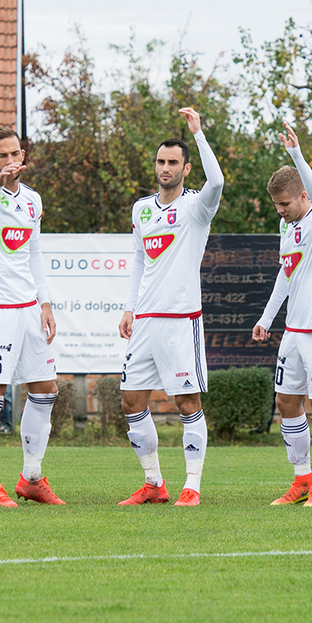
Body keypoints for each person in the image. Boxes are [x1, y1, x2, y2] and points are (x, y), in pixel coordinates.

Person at [117, 107, 224, 507]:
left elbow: (218, 181)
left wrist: (198, 133)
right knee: (131, 401)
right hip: (144, 320)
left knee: (187, 403)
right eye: (161, 162)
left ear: (186, 168)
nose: (165, 168)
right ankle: (153, 484)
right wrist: (129, 308)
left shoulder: (197, 207)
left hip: (181, 320)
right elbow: (139, 260)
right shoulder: (142, 208)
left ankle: (192, 486)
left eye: (173, 163)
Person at [0, 127, 64, 507]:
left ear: (23, 155)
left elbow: (33, 253)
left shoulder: (33, 200)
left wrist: (45, 303)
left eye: (15, 154)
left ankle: (32, 478)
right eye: (2, 155)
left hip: (28, 309)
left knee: (46, 390)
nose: (10, 161)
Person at [253, 124, 312, 507]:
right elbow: (286, 272)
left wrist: (296, 154)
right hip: (293, 330)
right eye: (276, 204)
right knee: (286, 402)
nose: (280, 210)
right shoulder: (286, 226)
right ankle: (302, 479)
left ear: (303, 196)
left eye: (285, 203)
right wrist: (267, 318)